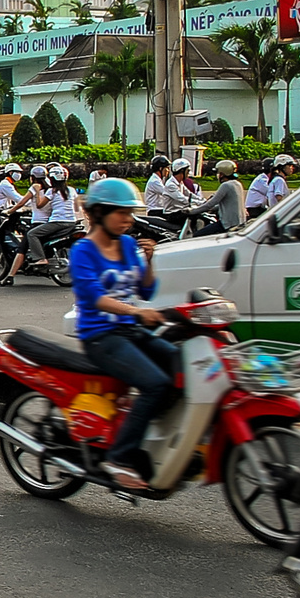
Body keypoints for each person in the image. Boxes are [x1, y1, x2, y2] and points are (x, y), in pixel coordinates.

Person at [70, 178, 173, 491]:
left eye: (130, 213)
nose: (128, 219)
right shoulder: (83, 250)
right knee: (156, 384)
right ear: (99, 213)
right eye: (121, 213)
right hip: (101, 336)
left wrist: (150, 261)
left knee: (181, 365)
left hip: (131, 330)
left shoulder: (128, 245)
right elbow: (94, 297)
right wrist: (136, 312)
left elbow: (146, 289)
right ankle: (118, 459)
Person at [193, 159, 247, 236]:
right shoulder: (237, 184)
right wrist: (213, 209)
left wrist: (192, 211)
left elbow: (210, 203)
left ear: (222, 174)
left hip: (227, 224)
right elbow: (228, 204)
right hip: (239, 222)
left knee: (197, 235)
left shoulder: (226, 185)